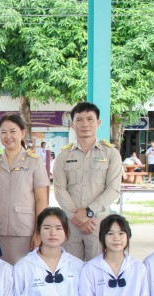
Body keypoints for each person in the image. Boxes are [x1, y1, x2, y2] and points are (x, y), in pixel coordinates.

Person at [52, 102, 122, 262]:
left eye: (90, 119)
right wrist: (76, 217)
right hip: (71, 223)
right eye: (79, 119)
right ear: (72, 124)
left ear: (98, 123)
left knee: (97, 268)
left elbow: (113, 189)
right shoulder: (63, 156)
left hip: (98, 223)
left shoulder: (111, 153)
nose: (85, 124)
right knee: (71, 269)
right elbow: (59, 189)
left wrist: (89, 212)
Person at [0, 114, 49, 265]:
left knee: (24, 271)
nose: (8, 136)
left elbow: (41, 199)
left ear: (23, 133)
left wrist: (38, 231)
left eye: (13, 131)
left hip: (24, 230)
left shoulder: (34, 161)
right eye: (3, 132)